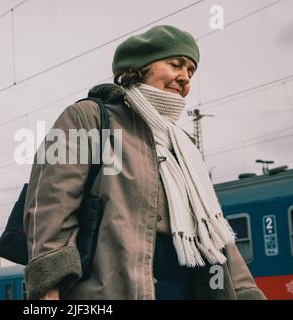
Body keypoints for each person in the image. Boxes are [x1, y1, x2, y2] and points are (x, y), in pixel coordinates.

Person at [22, 25, 266, 300]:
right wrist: (48, 287)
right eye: (176, 65)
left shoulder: (183, 144)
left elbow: (215, 232)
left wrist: (246, 291)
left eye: (190, 71)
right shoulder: (86, 118)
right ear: (139, 67)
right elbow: (51, 206)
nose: (185, 78)